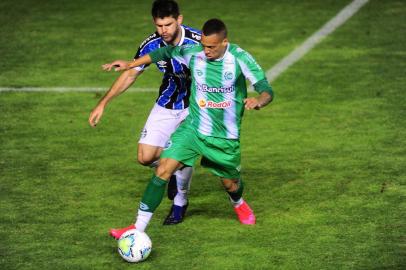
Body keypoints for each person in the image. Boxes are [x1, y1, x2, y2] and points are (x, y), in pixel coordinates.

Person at [104, 18, 274, 238]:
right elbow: (162, 54)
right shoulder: (194, 52)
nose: (206, 51)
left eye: (212, 47)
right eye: (204, 45)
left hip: (224, 136)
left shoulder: (240, 58)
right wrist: (131, 64)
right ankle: (137, 228)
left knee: (230, 183)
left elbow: (266, 88)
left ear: (224, 42)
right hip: (193, 128)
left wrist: (259, 100)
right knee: (163, 169)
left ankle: (238, 202)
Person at [88, 0, 200, 231]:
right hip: (167, 102)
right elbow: (130, 74)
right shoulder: (151, 44)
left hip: (196, 106)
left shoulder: (197, 42)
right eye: (159, 26)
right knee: (145, 157)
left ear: (179, 19)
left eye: (168, 24)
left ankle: (180, 202)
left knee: (181, 153)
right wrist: (103, 103)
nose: (164, 31)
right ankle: (171, 169)